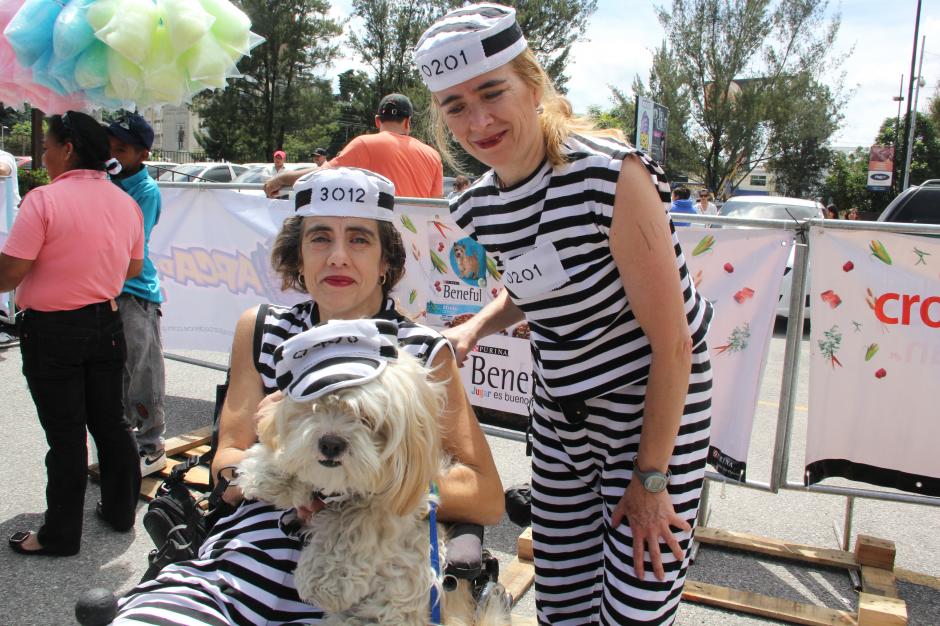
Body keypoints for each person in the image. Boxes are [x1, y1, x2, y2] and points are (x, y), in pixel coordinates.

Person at [415, 4, 713, 624]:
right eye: (456, 106)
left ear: (532, 82)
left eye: (492, 92)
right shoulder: (479, 207)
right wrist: (474, 326)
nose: (480, 120)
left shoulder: (609, 176)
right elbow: (537, 283)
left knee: (635, 604)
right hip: (559, 412)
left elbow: (675, 344)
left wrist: (652, 480)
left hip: (647, 406)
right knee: (565, 602)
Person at [114, 167, 504, 624]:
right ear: (296, 256)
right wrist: (279, 444)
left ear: (386, 261)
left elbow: (485, 495)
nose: (338, 256)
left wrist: (376, 473)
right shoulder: (262, 328)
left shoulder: (421, 350)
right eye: (320, 238)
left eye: (359, 239)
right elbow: (231, 457)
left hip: (369, 569)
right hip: (247, 554)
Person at [0, 111, 144, 556]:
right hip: (106, 322)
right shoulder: (126, 201)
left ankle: (60, 534)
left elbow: (8, 275)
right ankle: (120, 511)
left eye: (47, 146)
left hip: (53, 328)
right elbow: (133, 267)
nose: (43, 155)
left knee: (65, 435)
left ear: (67, 149)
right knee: (111, 423)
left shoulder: (43, 200)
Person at [106, 113, 168, 477]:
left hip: (134, 293)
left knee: (143, 369)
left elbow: (132, 247)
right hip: (104, 291)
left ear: (143, 154)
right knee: (118, 372)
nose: (113, 154)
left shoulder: (146, 191)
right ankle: (126, 438)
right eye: (110, 146)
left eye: (122, 149)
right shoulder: (106, 181)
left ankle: (152, 444)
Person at [265, 94, 444, 198]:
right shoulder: (433, 155)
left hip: (380, 243)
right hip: (418, 248)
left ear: (377, 121)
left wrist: (282, 179)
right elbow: (436, 206)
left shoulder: (364, 144)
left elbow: (319, 175)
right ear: (408, 122)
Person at [0, 148, 20, 347]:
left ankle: (7, 323)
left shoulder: (4, 156)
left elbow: (3, 169)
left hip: (6, 230)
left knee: (6, 282)